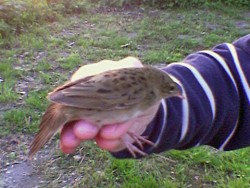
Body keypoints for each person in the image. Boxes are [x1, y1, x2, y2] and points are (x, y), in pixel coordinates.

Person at [59, 34, 250, 158]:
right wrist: (153, 121)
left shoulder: (152, 89)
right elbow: (234, 77)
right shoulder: (145, 92)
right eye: (172, 92)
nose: (176, 95)